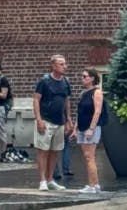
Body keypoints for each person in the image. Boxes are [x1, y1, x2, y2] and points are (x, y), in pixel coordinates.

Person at [33, 54, 73, 192]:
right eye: (61, 64)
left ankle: (50, 179)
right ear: (54, 66)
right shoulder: (44, 81)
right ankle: (42, 180)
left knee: (55, 151)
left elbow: (67, 101)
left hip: (60, 122)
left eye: (65, 64)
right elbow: (36, 99)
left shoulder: (66, 82)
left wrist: (69, 119)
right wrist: (39, 120)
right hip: (46, 120)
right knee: (43, 151)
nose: (65, 66)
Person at [75, 69, 103, 194]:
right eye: (82, 76)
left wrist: (91, 128)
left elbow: (97, 111)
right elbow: (79, 112)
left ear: (92, 78)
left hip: (91, 128)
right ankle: (95, 184)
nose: (82, 78)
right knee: (87, 157)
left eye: (85, 76)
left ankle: (92, 185)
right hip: (81, 127)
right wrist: (75, 128)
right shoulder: (83, 93)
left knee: (89, 156)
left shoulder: (96, 92)